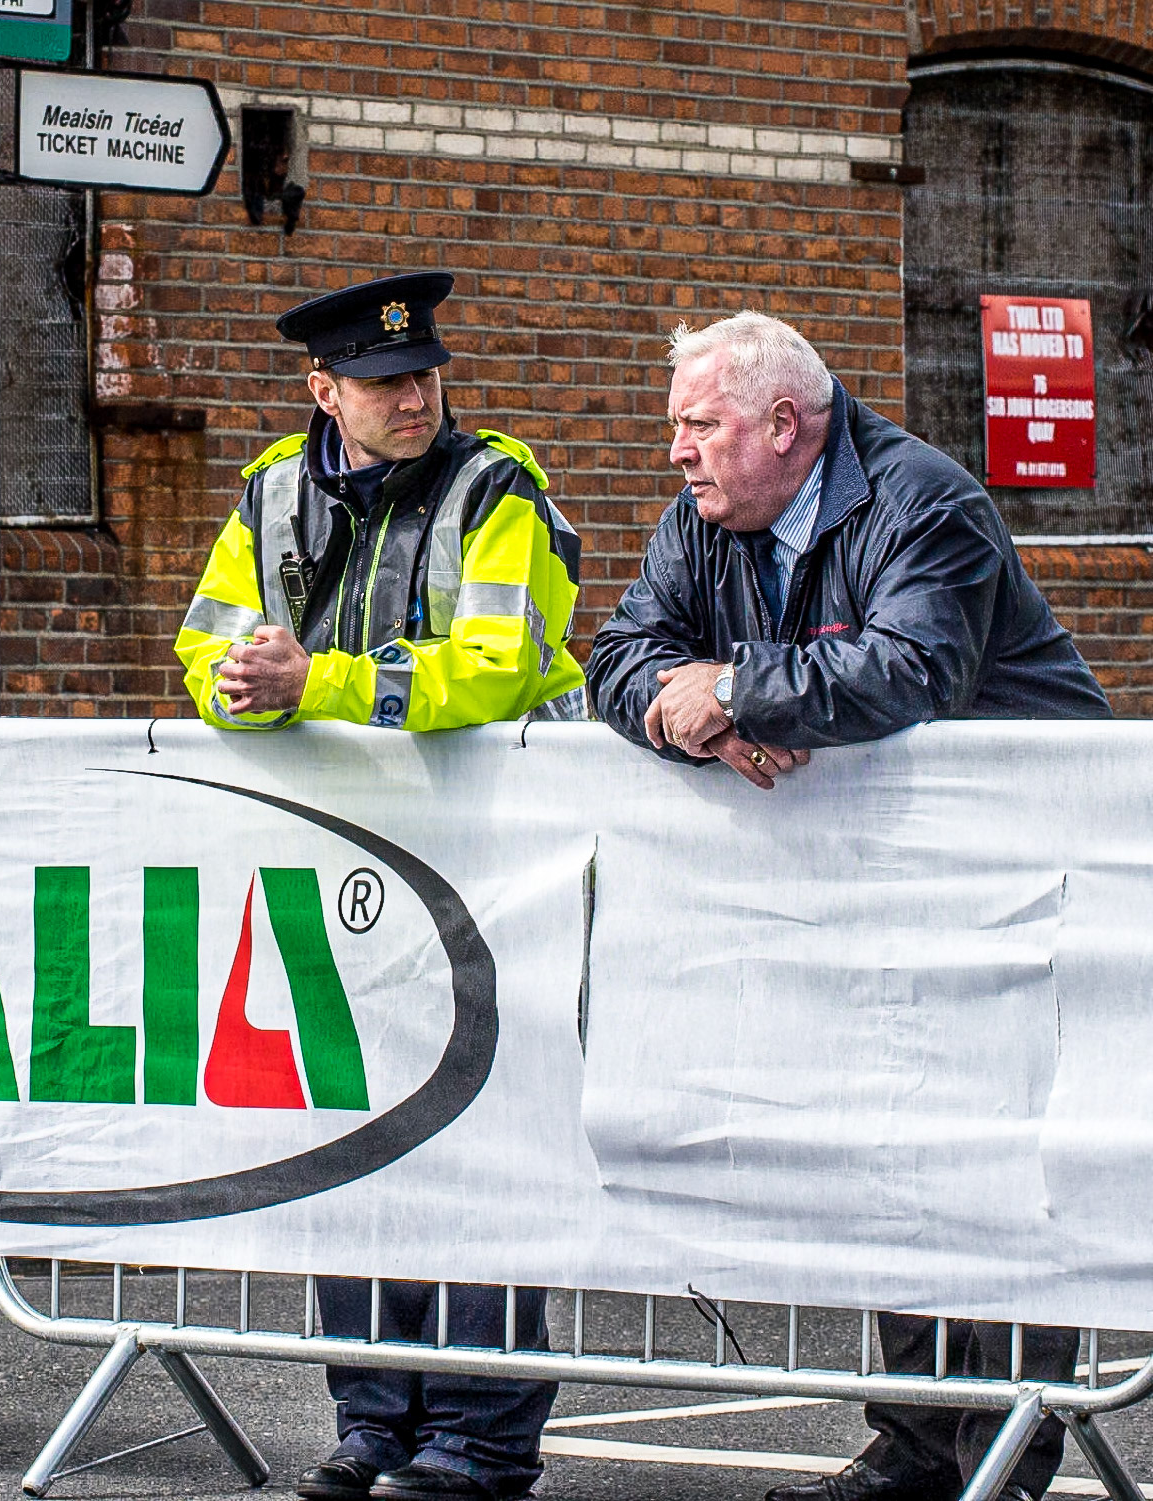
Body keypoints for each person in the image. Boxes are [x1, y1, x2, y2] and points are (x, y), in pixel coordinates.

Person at [585, 310, 1111, 1501]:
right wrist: (692, 717)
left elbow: (909, 668)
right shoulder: (700, 521)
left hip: (1014, 883)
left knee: (991, 1162)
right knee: (895, 1150)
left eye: (697, 423)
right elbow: (618, 653)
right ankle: (917, 1443)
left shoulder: (927, 505)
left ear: (784, 424)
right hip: (876, 893)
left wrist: (733, 687)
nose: (675, 449)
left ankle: (1001, 1448)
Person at [176, 271, 584, 1501]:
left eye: (424, 375)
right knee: (354, 1134)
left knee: (481, 1140)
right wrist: (235, 690)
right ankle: (372, 1418)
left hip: (496, 861)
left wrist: (325, 684)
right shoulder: (268, 491)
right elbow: (206, 639)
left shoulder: (494, 487)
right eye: (383, 382)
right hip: (343, 861)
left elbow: (503, 666)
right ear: (322, 391)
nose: (415, 396)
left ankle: (477, 1435)